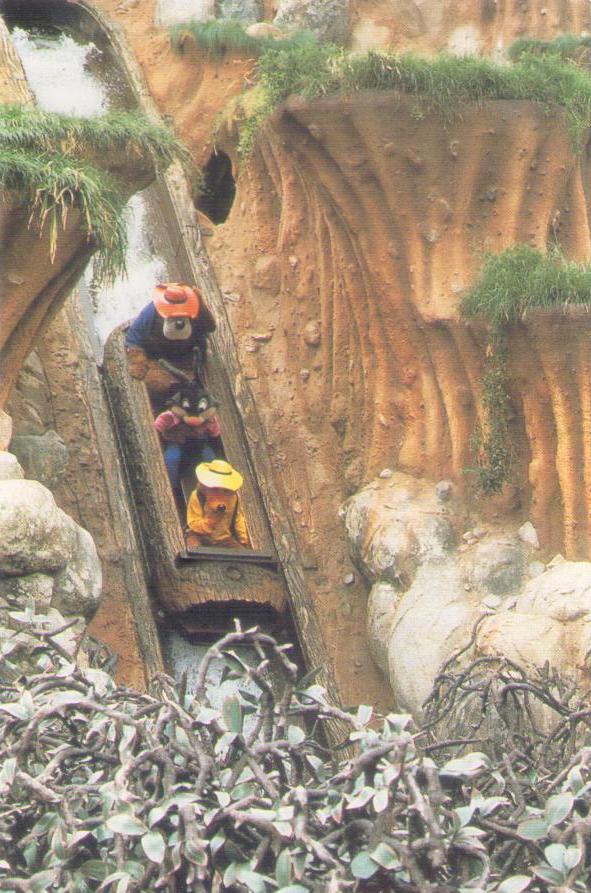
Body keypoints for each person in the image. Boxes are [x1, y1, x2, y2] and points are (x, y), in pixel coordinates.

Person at [125, 282, 216, 399]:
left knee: (190, 386)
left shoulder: (195, 309)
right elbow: (134, 337)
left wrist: (201, 305)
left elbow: (210, 327)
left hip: (186, 356)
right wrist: (138, 361)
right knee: (158, 385)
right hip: (159, 357)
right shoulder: (151, 313)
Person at [154, 387, 221, 496]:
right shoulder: (169, 417)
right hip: (177, 442)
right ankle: (172, 488)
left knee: (211, 459)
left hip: (199, 444)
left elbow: (215, 435)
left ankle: (212, 486)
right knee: (171, 458)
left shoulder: (210, 419)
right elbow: (156, 428)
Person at [185, 459, 251, 550]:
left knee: (245, 556)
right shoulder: (197, 496)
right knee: (194, 551)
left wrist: (244, 540)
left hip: (223, 539)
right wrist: (210, 522)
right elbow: (193, 523)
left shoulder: (233, 498)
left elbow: (238, 519)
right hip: (198, 536)